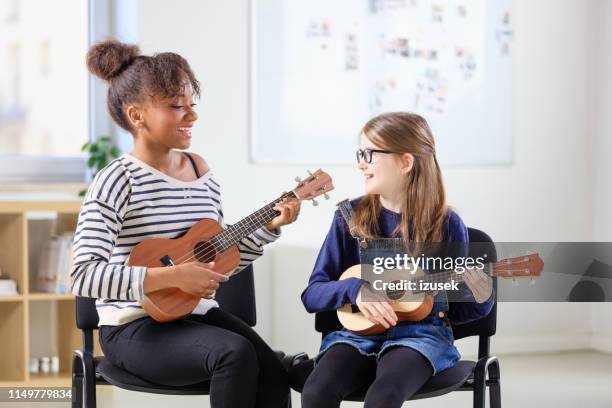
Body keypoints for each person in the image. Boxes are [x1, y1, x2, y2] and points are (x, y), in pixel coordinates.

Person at [71, 39, 300, 408]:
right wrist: (172, 278)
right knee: (234, 354)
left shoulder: (202, 173)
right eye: (177, 106)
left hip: (194, 315)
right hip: (132, 326)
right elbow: (83, 275)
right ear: (136, 116)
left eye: (192, 104)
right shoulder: (117, 180)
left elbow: (217, 262)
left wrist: (268, 230)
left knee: (273, 370)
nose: (191, 116)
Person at [300, 112, 495, 408]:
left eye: (369, 153)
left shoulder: (447, 224)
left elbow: (459, 311)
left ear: (405, 162)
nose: (360, 163)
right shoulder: (347, 218)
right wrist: (355, 290)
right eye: (360, 153)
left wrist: (481, 293)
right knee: (316, 391)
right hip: (354, 336)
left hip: (421, 336)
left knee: (384, 395)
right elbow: (312, 295)